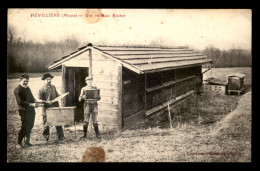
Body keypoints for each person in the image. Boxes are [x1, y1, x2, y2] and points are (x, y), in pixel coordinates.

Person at [38, 73, 65, 142]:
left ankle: (61, 137)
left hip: (55, 106)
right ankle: (46, 137)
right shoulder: (41, 89)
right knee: (46, 123)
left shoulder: (53, 86)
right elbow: (39, 99)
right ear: (44, 80)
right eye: (47, 79)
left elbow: (56, 94)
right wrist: (46, 102)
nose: (49, 81)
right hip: (47, 108)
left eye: (50, 79)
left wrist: (60, 95)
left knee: (58, 121)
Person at [14, 74, 37, 148]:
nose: (26, 83)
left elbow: (32, 98)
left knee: (30, 125)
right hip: (23, 110)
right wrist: (30, 104)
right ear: (20, 80)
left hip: (31, 110)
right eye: (24, 81)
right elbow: (20, 102)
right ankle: (19, 143)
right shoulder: (17, 89)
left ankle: (27, 141)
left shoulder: (28, 88)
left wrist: (36, 101)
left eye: (27, 81)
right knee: (24, 126)